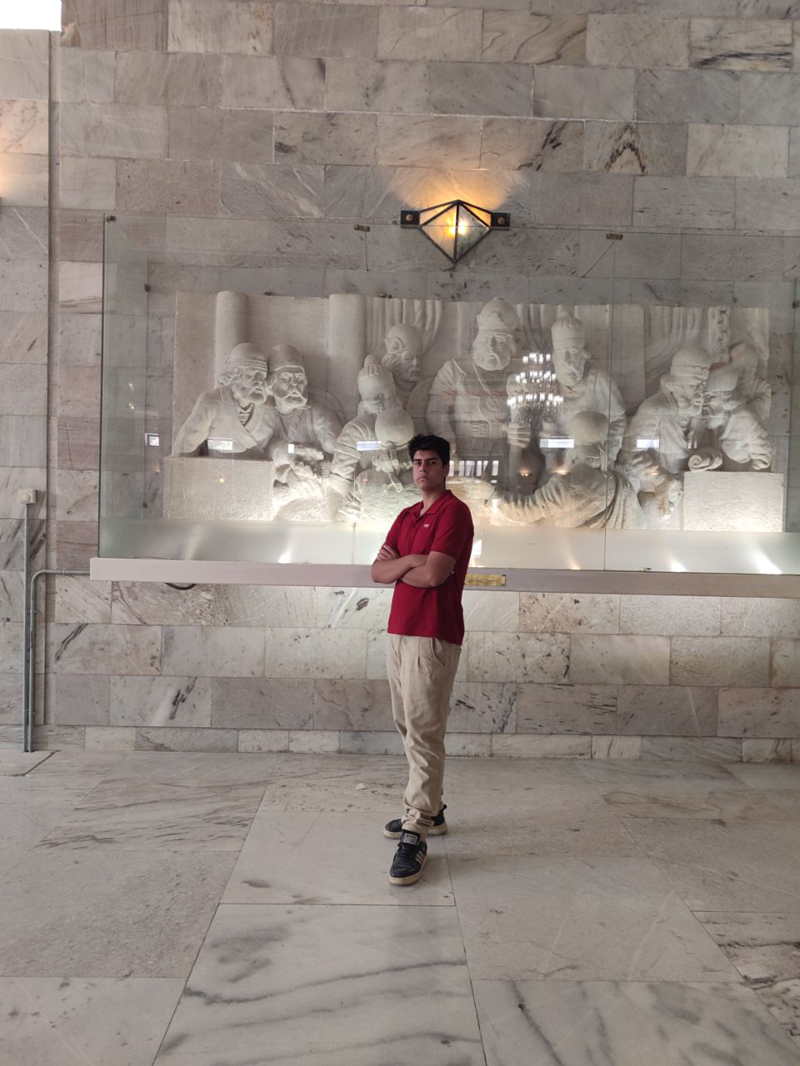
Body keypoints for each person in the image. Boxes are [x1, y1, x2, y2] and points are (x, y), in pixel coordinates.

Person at [370, 433, 474, 886]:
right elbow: (377, 572)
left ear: (446, 468)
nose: (422, 469)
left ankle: (416, 829)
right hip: (399, 631)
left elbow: (434, 575)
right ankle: (433, 809)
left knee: (424, 730)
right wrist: (413, 558)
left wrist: (407, 565)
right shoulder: (407, 515)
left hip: (433, 634)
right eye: (416, 462)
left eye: (431, 462)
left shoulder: (454, 512)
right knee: (407, 725)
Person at [171, 342, 272, 458]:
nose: (259, 381)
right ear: (235, 376)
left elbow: (273, 444)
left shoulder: (268, 408)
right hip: (217, 466)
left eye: (262, 376)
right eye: (252, 375)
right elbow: (186, 446)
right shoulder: (211, 402)